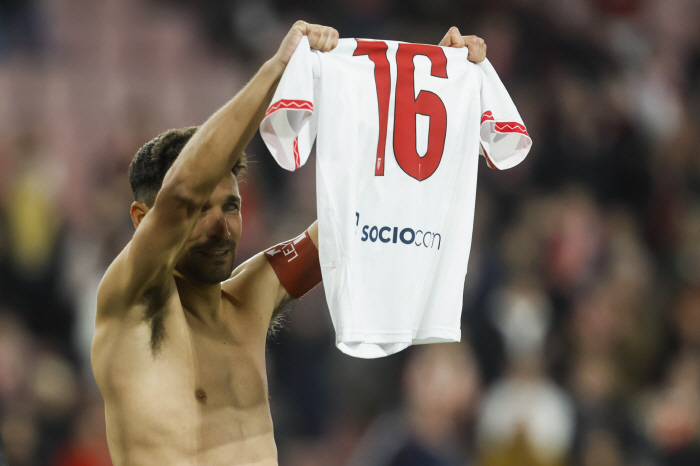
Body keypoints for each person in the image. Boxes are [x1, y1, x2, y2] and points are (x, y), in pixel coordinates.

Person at [91, 21, 487, 465]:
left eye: (231, 207)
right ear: (142, 220)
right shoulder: (129, 306)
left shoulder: (249, 301)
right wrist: (277, 71)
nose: (221, 227)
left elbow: (359, 215)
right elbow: (182, 191)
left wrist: (429, 87)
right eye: (202, 210)